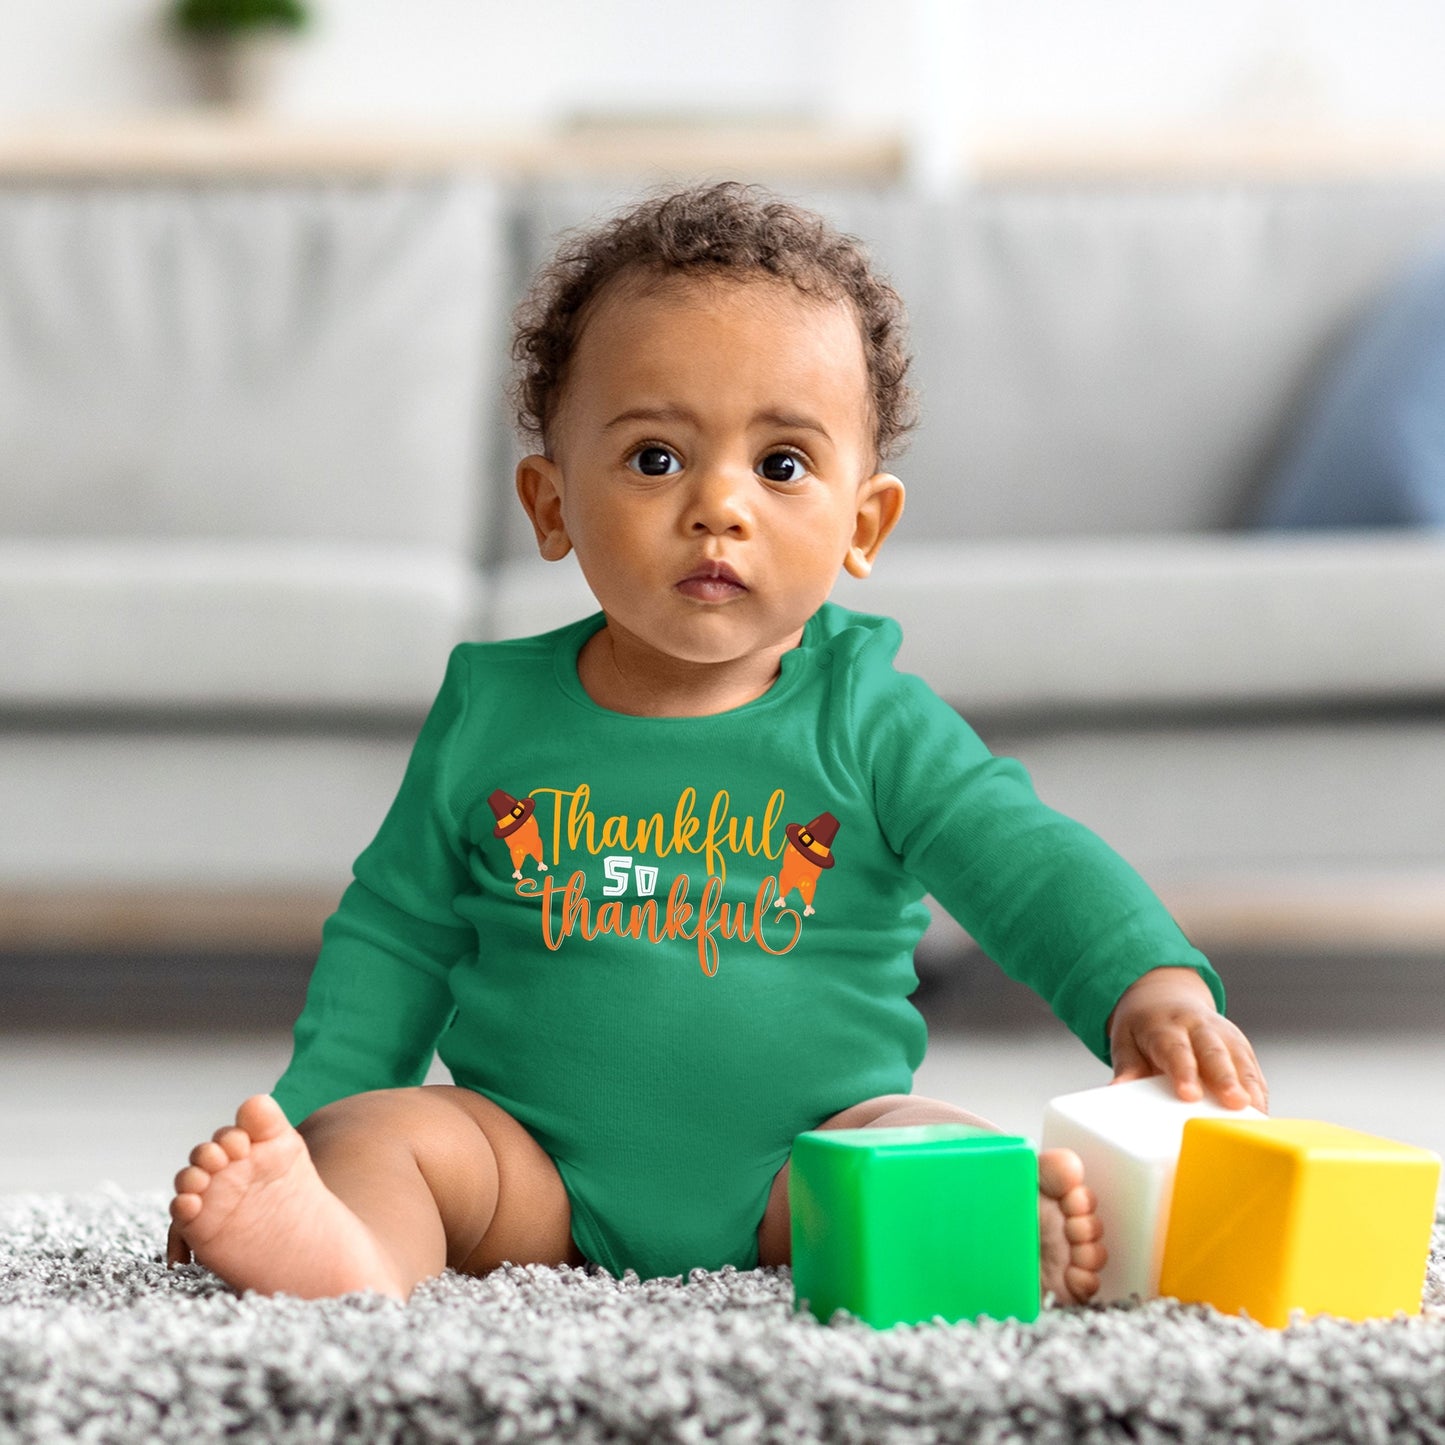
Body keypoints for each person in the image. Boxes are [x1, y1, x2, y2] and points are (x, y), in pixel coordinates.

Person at [167, 182, 1268, 1306]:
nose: (717, 507)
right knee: (382, 1135)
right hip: (526, 1171)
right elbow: (393, 938)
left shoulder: (869, 716)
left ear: (862, 524)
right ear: (550, 505)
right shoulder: (490, 711)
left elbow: (1024, 861)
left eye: (781, 465)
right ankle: (345, 1248)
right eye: (654, 457)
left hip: (810, 1161)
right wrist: (307, 1128)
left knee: (920, 1139)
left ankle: (969, 1232)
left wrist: (1147, 984)